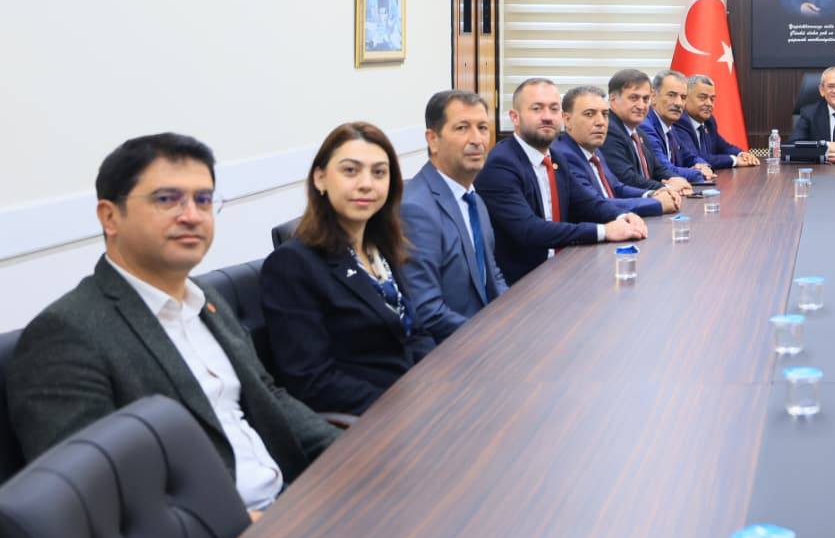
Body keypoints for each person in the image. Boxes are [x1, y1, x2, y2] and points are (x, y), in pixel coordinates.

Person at [7, 133, 339, 515]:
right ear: (110, 217)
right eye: (167, 199)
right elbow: (93, 496)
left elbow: (270, 398)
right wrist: (235, 524)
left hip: (291, 500)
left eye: (203, 200)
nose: (192, 215)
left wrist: (351, 455)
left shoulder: (204, 299)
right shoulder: (66, 335)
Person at [262, 122, 435, 416]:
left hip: (416, 400)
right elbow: (312, 382)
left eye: (379, 172)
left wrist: (437, 382)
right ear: (320, 179)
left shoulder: (380, 248)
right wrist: (403, 406)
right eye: (351, 171)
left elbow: (414, 332)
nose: (366, 183)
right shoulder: (291, 265)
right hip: (370, 420)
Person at [477, 77, 647, 285]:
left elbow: (588, 203)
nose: (547, 117)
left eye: (554, 109)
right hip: (524, 283)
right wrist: (604, 231)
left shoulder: (556, 157)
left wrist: (624, 216)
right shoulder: (501, 164)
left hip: (563, 268)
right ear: (515, 117)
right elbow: (530, 230)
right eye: (537, 109)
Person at [399, 91, 507, 340]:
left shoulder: (473, 198)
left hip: (485, 334)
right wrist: (490, 336)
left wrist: (513, 319)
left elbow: (492, 274)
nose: (477, 139)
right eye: (462, 128)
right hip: (450, 349)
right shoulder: (415, 209)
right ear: (433, 140)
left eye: (482, 128)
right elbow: (428, 311)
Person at [553, 86, 676, 218]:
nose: (600, 122)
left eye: (604, 114)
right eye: (589, 114)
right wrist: (656, 203)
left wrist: (651, 194)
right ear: (567, 120)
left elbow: (616, 187)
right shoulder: (563, 156)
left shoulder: (594, 150)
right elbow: (596, 205)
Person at [603, 68, 696, 197]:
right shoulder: (607, 130)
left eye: (645, 99)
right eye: (633, 98)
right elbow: (627, 178)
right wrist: (667, 187)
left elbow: (659, 170)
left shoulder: (639, 133)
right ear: (613, 100)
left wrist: (679, 181)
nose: (641, 106)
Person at [641, 70, 715, 184]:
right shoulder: (645, 126)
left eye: (683, 97)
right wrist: (699, 173)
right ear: (653, 96)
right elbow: (664, 170)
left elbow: (689, 157)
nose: (679, 103)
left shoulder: (670, 126)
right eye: (672, 95)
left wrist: (703, 166)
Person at [673, 74, 760, 169]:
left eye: (712, 99)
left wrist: (742, 154)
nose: (709, 103)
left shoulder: (709, 122)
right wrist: (734, 160)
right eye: (702, 97)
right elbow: (695, 158)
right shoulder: (679, 121)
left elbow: (724, 147)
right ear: (685, 98)